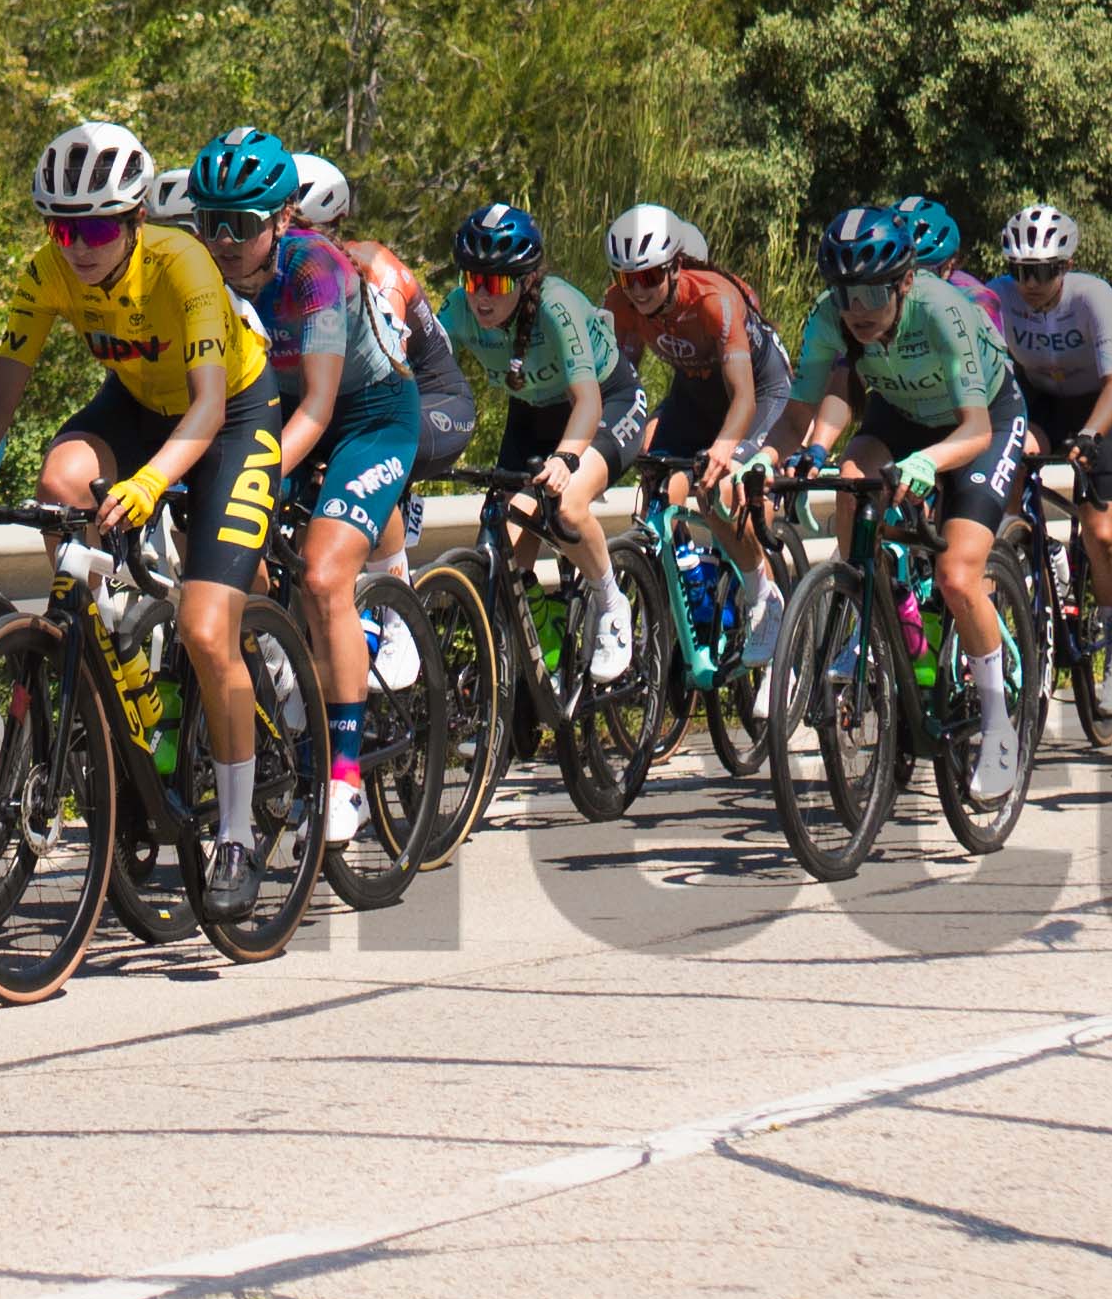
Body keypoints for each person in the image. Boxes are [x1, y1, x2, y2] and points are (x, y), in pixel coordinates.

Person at [0, 117, 281, 877]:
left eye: (99, 226)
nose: (81, 246)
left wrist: (149, 483)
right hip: (136, 407)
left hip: (228, 413)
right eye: (62, 230)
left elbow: (205, 410)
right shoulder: (46, 273)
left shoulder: (184, 265)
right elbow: (0, 398)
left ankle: (234, 836)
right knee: (57, 484)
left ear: (138, 217)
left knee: (207, 633)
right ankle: (119, 649)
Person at [186, 127, 417, 865]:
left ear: (283, 219)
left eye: (242, 225)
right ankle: (288, 676)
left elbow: (319, 407)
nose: (223, 242)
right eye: (207, 223)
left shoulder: (316, 270)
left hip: (368, 417)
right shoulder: (203, 273)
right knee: (232, 564)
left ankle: (344, 774)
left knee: (321, 577)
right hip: (277, 415)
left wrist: (250, 479)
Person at [780, 196, 1031, 794]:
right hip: (901, 414)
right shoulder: (830, 314)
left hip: (981, 421)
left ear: (905, 281)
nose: (857, 311)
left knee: (956, 576)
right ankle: (865, 613)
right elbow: (796, 416)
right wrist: (767, 459)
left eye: (871, 295)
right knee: (849, 479)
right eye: (845, 295)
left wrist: (926, 461)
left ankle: (998, 727)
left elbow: (975, 431)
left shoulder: (944, 312)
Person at [444, 206, 637, 684]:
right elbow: (415, 373)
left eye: (496, 284)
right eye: (473, 280)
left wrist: (567, 457)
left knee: (567, 508)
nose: (480, 297)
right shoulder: (456, 309)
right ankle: (537, 654)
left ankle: (612, 602)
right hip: (530, 415)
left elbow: (587, 401)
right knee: (504, 557)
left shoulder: (556, 306)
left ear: (526, 281)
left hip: (603, 404)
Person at [976, 200, 1112, 687]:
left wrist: (1090, 435)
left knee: (1105, 533)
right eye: (1020, 270)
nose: (1029, 284)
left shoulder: (1093, 296)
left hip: (1103, 404)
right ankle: (1028, 564)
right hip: (1041, 402)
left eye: (1043, 271)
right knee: (1003, 484)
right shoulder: (997, 296)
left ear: (1065, 266)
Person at [607, 201, 769, 512]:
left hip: (756, 391)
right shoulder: (621, 302)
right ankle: (667, 554)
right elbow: (620, 385)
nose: (638, 291)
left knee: (725, 489)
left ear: (676, 268)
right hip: (696, 393)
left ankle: (753, 562)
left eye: (650, 276)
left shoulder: (713, 300)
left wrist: (724, 447)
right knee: (654, 471)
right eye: (628, 279)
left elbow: (744, 397)